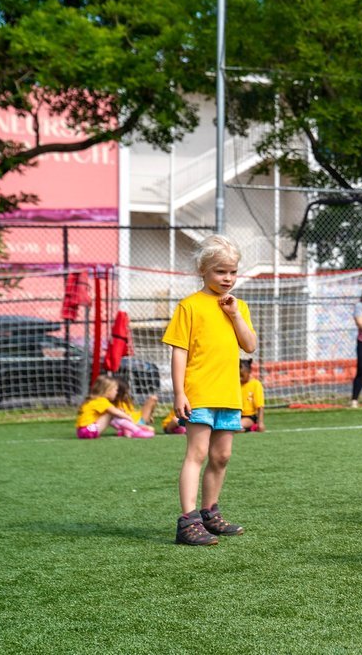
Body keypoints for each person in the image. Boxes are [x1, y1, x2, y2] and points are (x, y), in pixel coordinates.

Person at [163, 234, 257, 546]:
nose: (227, 278)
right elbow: (179, 351)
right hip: (199, 393)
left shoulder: (238, 306)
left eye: (232, 271)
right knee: (198, 453)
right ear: (204, 270)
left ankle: (209, 513)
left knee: (222, 456)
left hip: (229, 395)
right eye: (220, 271)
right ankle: (187, 521)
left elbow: (250, 345)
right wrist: (180, 392)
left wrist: (235, 315)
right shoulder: (189, 306)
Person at [75, 375, 150, 439]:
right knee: (112, 414)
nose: (116, 392)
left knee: (113, 413)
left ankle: (124, 430)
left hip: (81, 431)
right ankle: (136, 430)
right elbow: (116, 412)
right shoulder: (101, 401)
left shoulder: (94, 400)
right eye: (115, 390)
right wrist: (128, 418)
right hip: (88, 431)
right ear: (107, 391)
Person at [240, 359, 266, 431]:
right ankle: (246, 429)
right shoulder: (235, 384)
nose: (239, 378)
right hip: (236, 416)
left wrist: (260, 423)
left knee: (236, 426)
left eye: (242, 375)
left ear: (249, 372)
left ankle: (253, 426)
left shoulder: (255, 384)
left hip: (249, 416)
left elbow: (260, 405)